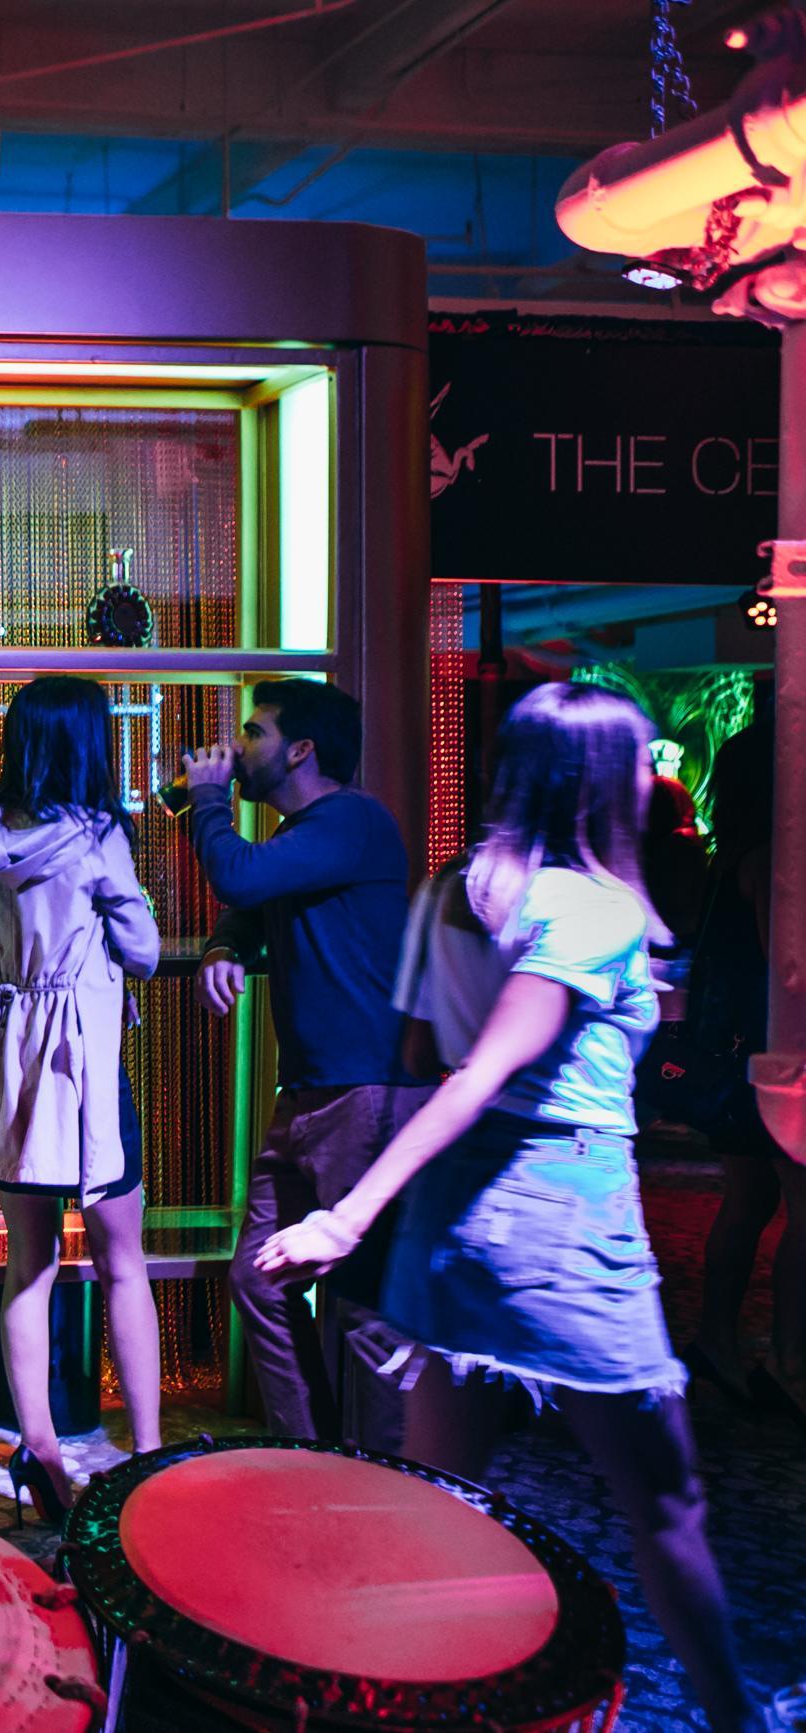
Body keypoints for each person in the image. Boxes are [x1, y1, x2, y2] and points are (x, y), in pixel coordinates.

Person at [259, 682, 762, 1733]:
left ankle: (377, 1706)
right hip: (558, 1214)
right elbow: (479, 1071)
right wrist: (346, 1217)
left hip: (451, 1225)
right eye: (637, 760)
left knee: (439, 1509)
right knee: (666, 1504)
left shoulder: (450, 888)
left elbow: (418, 1049)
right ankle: (737, 1720)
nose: (650, 777)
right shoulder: (590, 906)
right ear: (595, 779)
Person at [0, 677, 162, 1526]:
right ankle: (148, 1456)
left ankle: (41, 1452)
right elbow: (143, 949)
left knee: (28, 1263)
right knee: (123, 1260)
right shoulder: (98, 836)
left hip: (10, 1063)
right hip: (83, 1064)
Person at [184, 678, 431, 1445]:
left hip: (366, 1091)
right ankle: (311, 1456)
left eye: (253, 733)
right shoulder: (307, 837)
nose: (237, 748)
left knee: (363, 1301)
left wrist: (208, 798)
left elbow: (241, 875)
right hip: (310, 1093)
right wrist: (224, 947)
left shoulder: (353, 819)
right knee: (259, 1277)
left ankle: (386, 1479)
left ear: (300, 750)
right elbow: (250, 904)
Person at [684, 722, 805, 1424]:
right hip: (775, 1058)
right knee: (799, 1209)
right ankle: (790, 1366)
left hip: (734, 1059)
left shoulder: (727, 858)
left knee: (748, 1200)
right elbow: (786, 967)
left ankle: (716, 1340)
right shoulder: (772, 860)